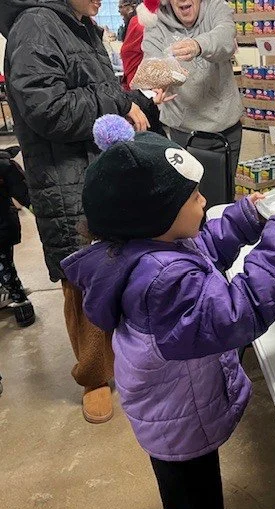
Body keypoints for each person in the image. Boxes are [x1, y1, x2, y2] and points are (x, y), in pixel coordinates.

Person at [61, 114, 275, 509]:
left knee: (196, 496)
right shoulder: (160, 280)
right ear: (157, 215)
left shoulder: (151, 246)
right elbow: (237, 313)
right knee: (196, 504)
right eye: (194, 195)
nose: (204, 200)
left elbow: (204, 246)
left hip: (177, 404)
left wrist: (249, 216)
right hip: (178, 418)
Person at [0, 0, 173, 423]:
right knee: (83, 280)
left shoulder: (80, 25)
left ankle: (126, 359)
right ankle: (93, 376)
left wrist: (140, 102)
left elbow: (98, 101)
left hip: (99, 171)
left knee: (119, 267)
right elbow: (48, 110)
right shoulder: (35, 25)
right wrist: (116, 103)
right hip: (67, 181)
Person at [138, 0, 244, 197]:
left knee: (222, 197)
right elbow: (150, 61)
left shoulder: (215, 7)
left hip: (226, 128)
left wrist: (198, 45)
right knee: (188, 198)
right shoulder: (156, 22)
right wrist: (156, 80)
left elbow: (226, 37)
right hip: (183, 131)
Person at [0, 146, 34, 328]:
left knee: (6, 267)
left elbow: (23, 192)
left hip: (2, 228)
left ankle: (20, 299)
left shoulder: (4, 165)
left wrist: (35, 208)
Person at [119, 0, 144, 90]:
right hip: (138, 83)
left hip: (139, 83)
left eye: (121, 7)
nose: (119, 11)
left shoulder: (138, 23)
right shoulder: (135, 22)